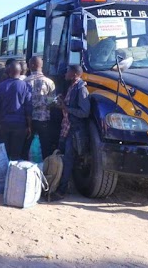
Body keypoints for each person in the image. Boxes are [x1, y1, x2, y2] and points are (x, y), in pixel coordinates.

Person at [53, 65, 90, 200]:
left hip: (74, 130)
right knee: (64, 158)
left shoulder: (81, 90)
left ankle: (62, 191)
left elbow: (84, 112)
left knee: (68, 160)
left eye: (68, 71)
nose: (65, 73)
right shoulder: (73, 87)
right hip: (67, 127)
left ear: (74, 74)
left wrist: (66, 108)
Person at [0, 60, 32, 160]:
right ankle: (13, 173)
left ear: (9, 71)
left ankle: (4, 172)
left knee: (4, 152)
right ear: (20, 72)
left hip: (4, 122)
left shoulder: (1, 86)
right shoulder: (25, 86)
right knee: (16, 153)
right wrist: (29, 125)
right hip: (20, 124)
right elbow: (28, 107)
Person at [24, 56, 57, 159]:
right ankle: (45, 169)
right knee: (45, 146)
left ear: (32, 66)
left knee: (26, 145)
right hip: (44, 119)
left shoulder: (25, 82)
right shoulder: (49, 82)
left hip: (28, 120)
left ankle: (25, 168)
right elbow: (53, 102)